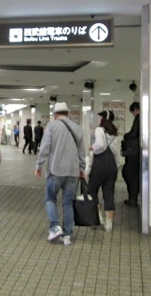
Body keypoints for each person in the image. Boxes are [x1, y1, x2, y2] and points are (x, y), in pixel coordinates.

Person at [35, 102, 86, 246]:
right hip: (73, 171)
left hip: (55, 170)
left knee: (50, 199)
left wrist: (39, 164)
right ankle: (67, 235)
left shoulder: (52, 126)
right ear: (68, 113)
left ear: (55, 114)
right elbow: (82, 151)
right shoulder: (77, 127)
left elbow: (45, 147)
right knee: (68, 203)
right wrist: (82, 168)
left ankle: (55, 227)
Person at [88, 110, 119, 232]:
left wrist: (92, 147)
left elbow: (100, 145)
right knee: (109, 194)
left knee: (92, 190)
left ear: (103, 118)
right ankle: (109, 223)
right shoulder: (114, 131)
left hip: (100, 165)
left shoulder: (99, 130)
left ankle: (98, 217)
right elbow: (115, 152)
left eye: (99, 117)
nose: (98, 119)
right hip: (111, 166)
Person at [121, 102, 140, 207]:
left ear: (136, 110)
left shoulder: (138, 118)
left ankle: (133, 198)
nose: (133, 114)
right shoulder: (142, 118)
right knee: (131, 174)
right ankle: (133, 197)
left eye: (133, 112)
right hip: (136, 152)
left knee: (129, 173)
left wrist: (126, 136)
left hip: (134, 153)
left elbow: (134, 133)